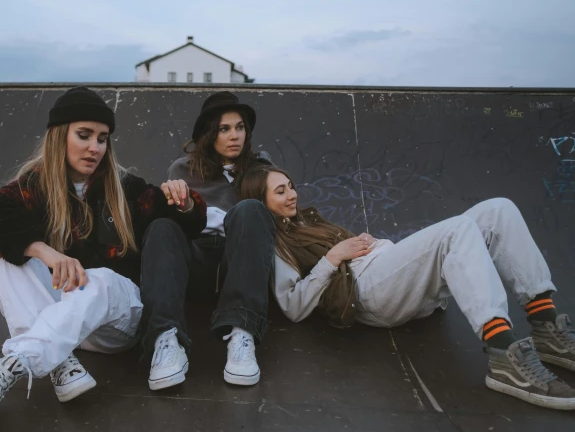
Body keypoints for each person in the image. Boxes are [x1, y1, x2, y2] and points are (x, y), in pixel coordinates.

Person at [0, 87, 206, 432]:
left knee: (101, 279)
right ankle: (61, 365)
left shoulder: (125, 188)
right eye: (84, 136)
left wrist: (185, 202)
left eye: (102, 139)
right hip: (68, 325)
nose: (94, 148)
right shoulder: (34, 187)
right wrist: (45, 251)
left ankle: (11, 366)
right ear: (58, 136)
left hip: (116, 324)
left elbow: (187, 222)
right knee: (4, 253)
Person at [240, 164, 575, 410]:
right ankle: (502, 353)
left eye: (291, 185)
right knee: (456, 230)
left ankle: (545, 325)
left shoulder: (305, 220)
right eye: (280, 190)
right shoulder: (275, 243)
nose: (292, 194)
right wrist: (334, 255)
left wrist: (366, 243)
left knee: (498, 210)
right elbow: (292, 305)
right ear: (260, 199)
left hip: (385, 274)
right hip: (369, 293)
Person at [142, 91, 276, 386]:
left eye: (239, 127)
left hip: (240, 263)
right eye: (224, 129)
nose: (234, 136)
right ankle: (166, 340)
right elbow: (178, 226)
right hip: (196, 261)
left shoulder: (260, 167)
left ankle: (243, 334)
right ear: (208, 134)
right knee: (162, 227)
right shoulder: (183, 169)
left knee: (251, 209)